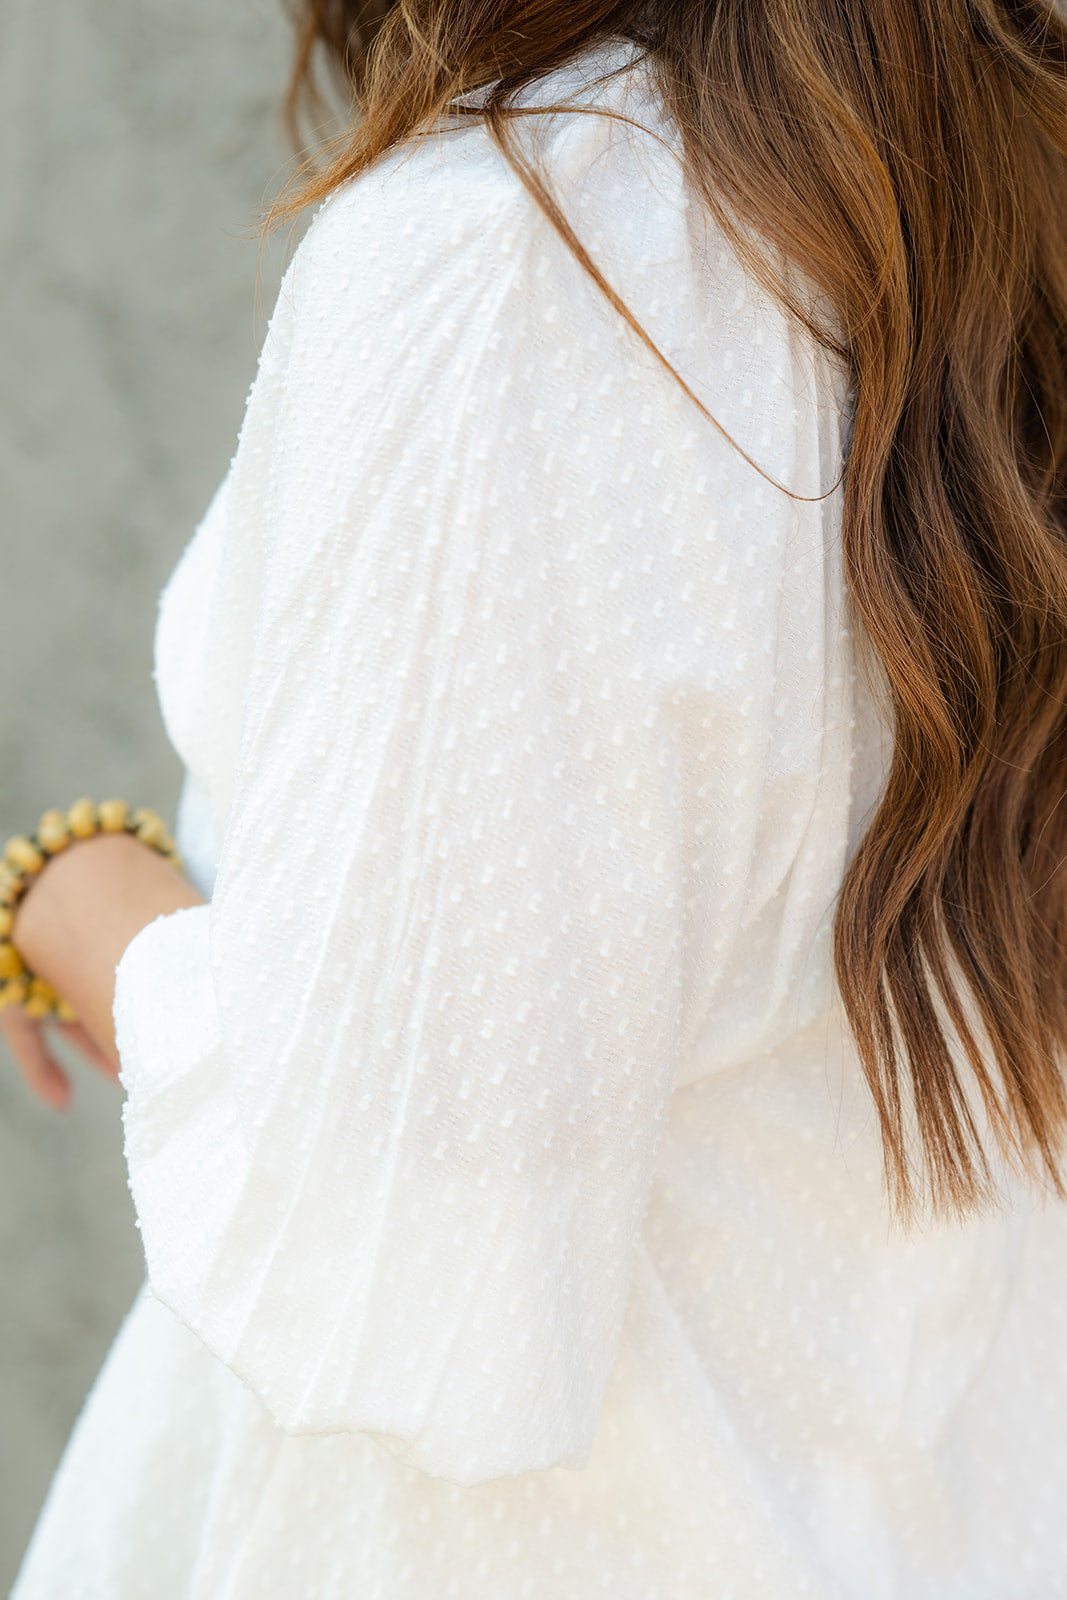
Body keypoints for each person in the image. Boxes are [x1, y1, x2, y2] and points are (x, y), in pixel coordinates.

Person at [7, 0, 1067, 1594]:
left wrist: (81, 900)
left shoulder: (515, 265)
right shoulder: (982, 174)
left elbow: (404, 1238)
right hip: (918, 1510)